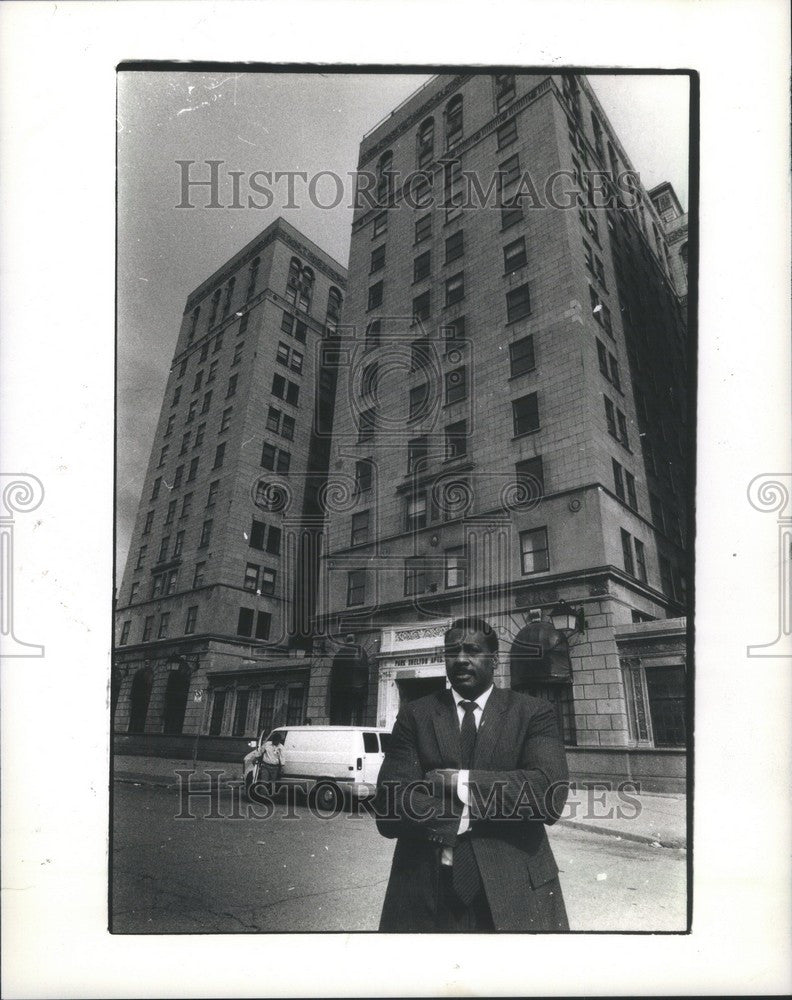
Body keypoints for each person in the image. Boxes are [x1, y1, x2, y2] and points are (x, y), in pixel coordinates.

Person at [375, 616, 570, 933]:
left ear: (494, 660)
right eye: (452, 651)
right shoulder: (415, 715)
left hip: (517, 892)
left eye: (472, 650)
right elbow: (389, 805)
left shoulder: (533, 713)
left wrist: (456, 782)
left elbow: (547, 796)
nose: (461, 659)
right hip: (427, 892)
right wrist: (490, 807)